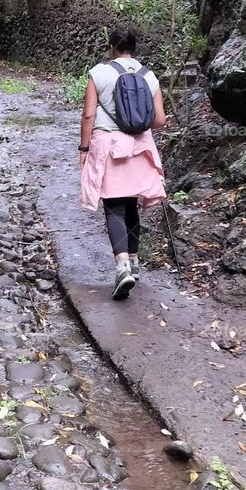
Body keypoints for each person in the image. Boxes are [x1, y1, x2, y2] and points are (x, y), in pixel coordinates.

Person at [78, 27, 167, 300]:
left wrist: (84, 148)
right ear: (134, 47)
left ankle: (122, 268)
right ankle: (135, 263)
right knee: (131, 205)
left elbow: (88, 116)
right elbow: (160, 121)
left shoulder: (99, 73)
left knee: (113, 206)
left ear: (111, 46)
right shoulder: (148, 76)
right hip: (140, 146)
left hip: (109, 145)